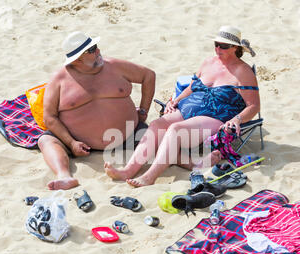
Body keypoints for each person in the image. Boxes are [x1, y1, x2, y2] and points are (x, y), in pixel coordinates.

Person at [104, 26, 260, 187]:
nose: (218, 48)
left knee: (175, 130)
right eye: (216, 44)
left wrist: (237, 119)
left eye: (224, 46)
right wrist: (175, 100)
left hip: (216, 116)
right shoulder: (208, 62)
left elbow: (254, 105)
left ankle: (150, 177)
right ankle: (128, 170)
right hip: (188, 108)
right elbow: (192, 87)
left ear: (235, 48)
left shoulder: (243, 72)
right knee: (157, 125)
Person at [39, 31, 155, 190]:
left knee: (156, 136)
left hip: (128, 134)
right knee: (46, 140)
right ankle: (64, 175)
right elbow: (49, 117)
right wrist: (71, 143)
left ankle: (131, 171)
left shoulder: (114, 66)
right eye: (92, 50)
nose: (98, 51)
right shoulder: (59, 80)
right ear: (78, 58)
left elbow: (148, 76)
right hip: (80, 142)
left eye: (96, 47)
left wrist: (143, 110)